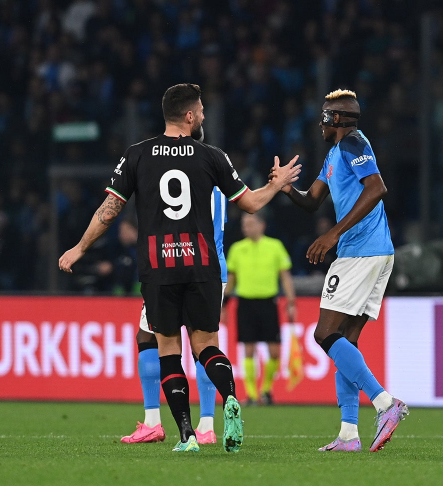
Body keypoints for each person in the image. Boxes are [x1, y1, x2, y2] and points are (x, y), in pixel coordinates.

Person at [59, 83, 301, 452]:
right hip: (203, 265)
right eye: (200, 110)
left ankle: (186, 436)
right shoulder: (212, 156)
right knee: (205, 345)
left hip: (160, 268)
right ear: (189, 116)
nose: (203, 115)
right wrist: (277, 184)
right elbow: (251, 204)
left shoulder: (137, 154)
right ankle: (230, 398)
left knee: (169, 350)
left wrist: (80, 247)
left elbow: (109, 211)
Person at [274, 89, 407, 452]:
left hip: (360, 252)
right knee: (345, 340)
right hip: (373, 252)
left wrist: (333, 234)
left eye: (324, 116)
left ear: (335, 120)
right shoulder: (334, 154)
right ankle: (349, 433)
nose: (320, 123)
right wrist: (286, 188)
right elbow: (312, 201)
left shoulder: (353, 143)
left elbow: (377, 188)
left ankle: (385, 403)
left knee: (324, 334)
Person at [120, 186, 230, 445]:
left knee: (150, 337)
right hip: (215, 266)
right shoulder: (219, 179)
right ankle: (207, 426)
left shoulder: (187, 174)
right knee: (204, 344)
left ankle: (152, 423)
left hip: (179, 264)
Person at [224, 212, 296, 405]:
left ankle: (265, 390)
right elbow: (231, 279)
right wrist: (224, 304)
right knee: (248, 348)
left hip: (268, 302)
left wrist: (291, 302)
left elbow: (285, 276)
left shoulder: (275, 246)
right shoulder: (237, 249)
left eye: (250, 223)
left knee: (274, 350)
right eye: (244, 224)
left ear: (261, 225)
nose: (246, 228)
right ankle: (251, 395)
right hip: (245, 303)